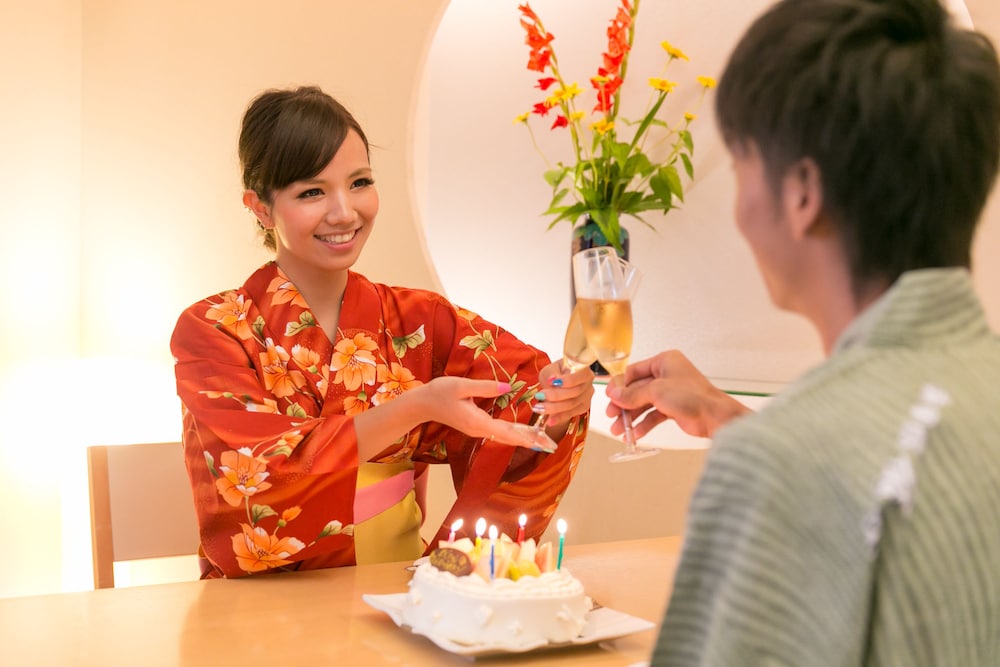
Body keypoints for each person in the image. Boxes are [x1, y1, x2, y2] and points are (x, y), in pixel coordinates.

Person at [604, 0, 1000, 663]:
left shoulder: (779, 463)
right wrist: (730, 416)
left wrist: (764, 444)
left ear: (803, 192)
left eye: (741, 165)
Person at [170, 86, 593, 578]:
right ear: (260, 207)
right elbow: (260, 479)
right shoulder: (212, 329)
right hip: (259, 612)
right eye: (311, 192)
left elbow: (525, 398)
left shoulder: (421, 320)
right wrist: (414, 407)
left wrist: (561, 401)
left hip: (394, 599)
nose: (344, 212)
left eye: (360, 182)